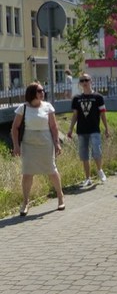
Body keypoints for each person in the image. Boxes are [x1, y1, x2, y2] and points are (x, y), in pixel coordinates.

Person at [11, 83, 65, 216]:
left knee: (51, 170)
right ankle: (25, 202)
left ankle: (60, 197)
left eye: (43, 90)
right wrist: (16, 145)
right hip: (28, 143)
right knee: (27, 172)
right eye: (39, 91)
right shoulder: (22, 108)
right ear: (32, 93)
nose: (42, 93)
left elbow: (53, 127)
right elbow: (15, 128)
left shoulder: (48, 106)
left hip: (45, 142)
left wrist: (57, 143)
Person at [67, 74, 110, 187]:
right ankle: (87, 178)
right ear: (80, 83)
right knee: (84, 154)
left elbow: (103, 114)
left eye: (86, 80)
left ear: (91, 81)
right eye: (82, 81)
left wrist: (106, 128)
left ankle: (99, 170)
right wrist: (70, 129)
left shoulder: (98, 97)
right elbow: (75, 115)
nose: (84, 82)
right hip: (81, 130)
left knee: (97, 150)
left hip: (94, 129)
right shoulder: (76, 98)